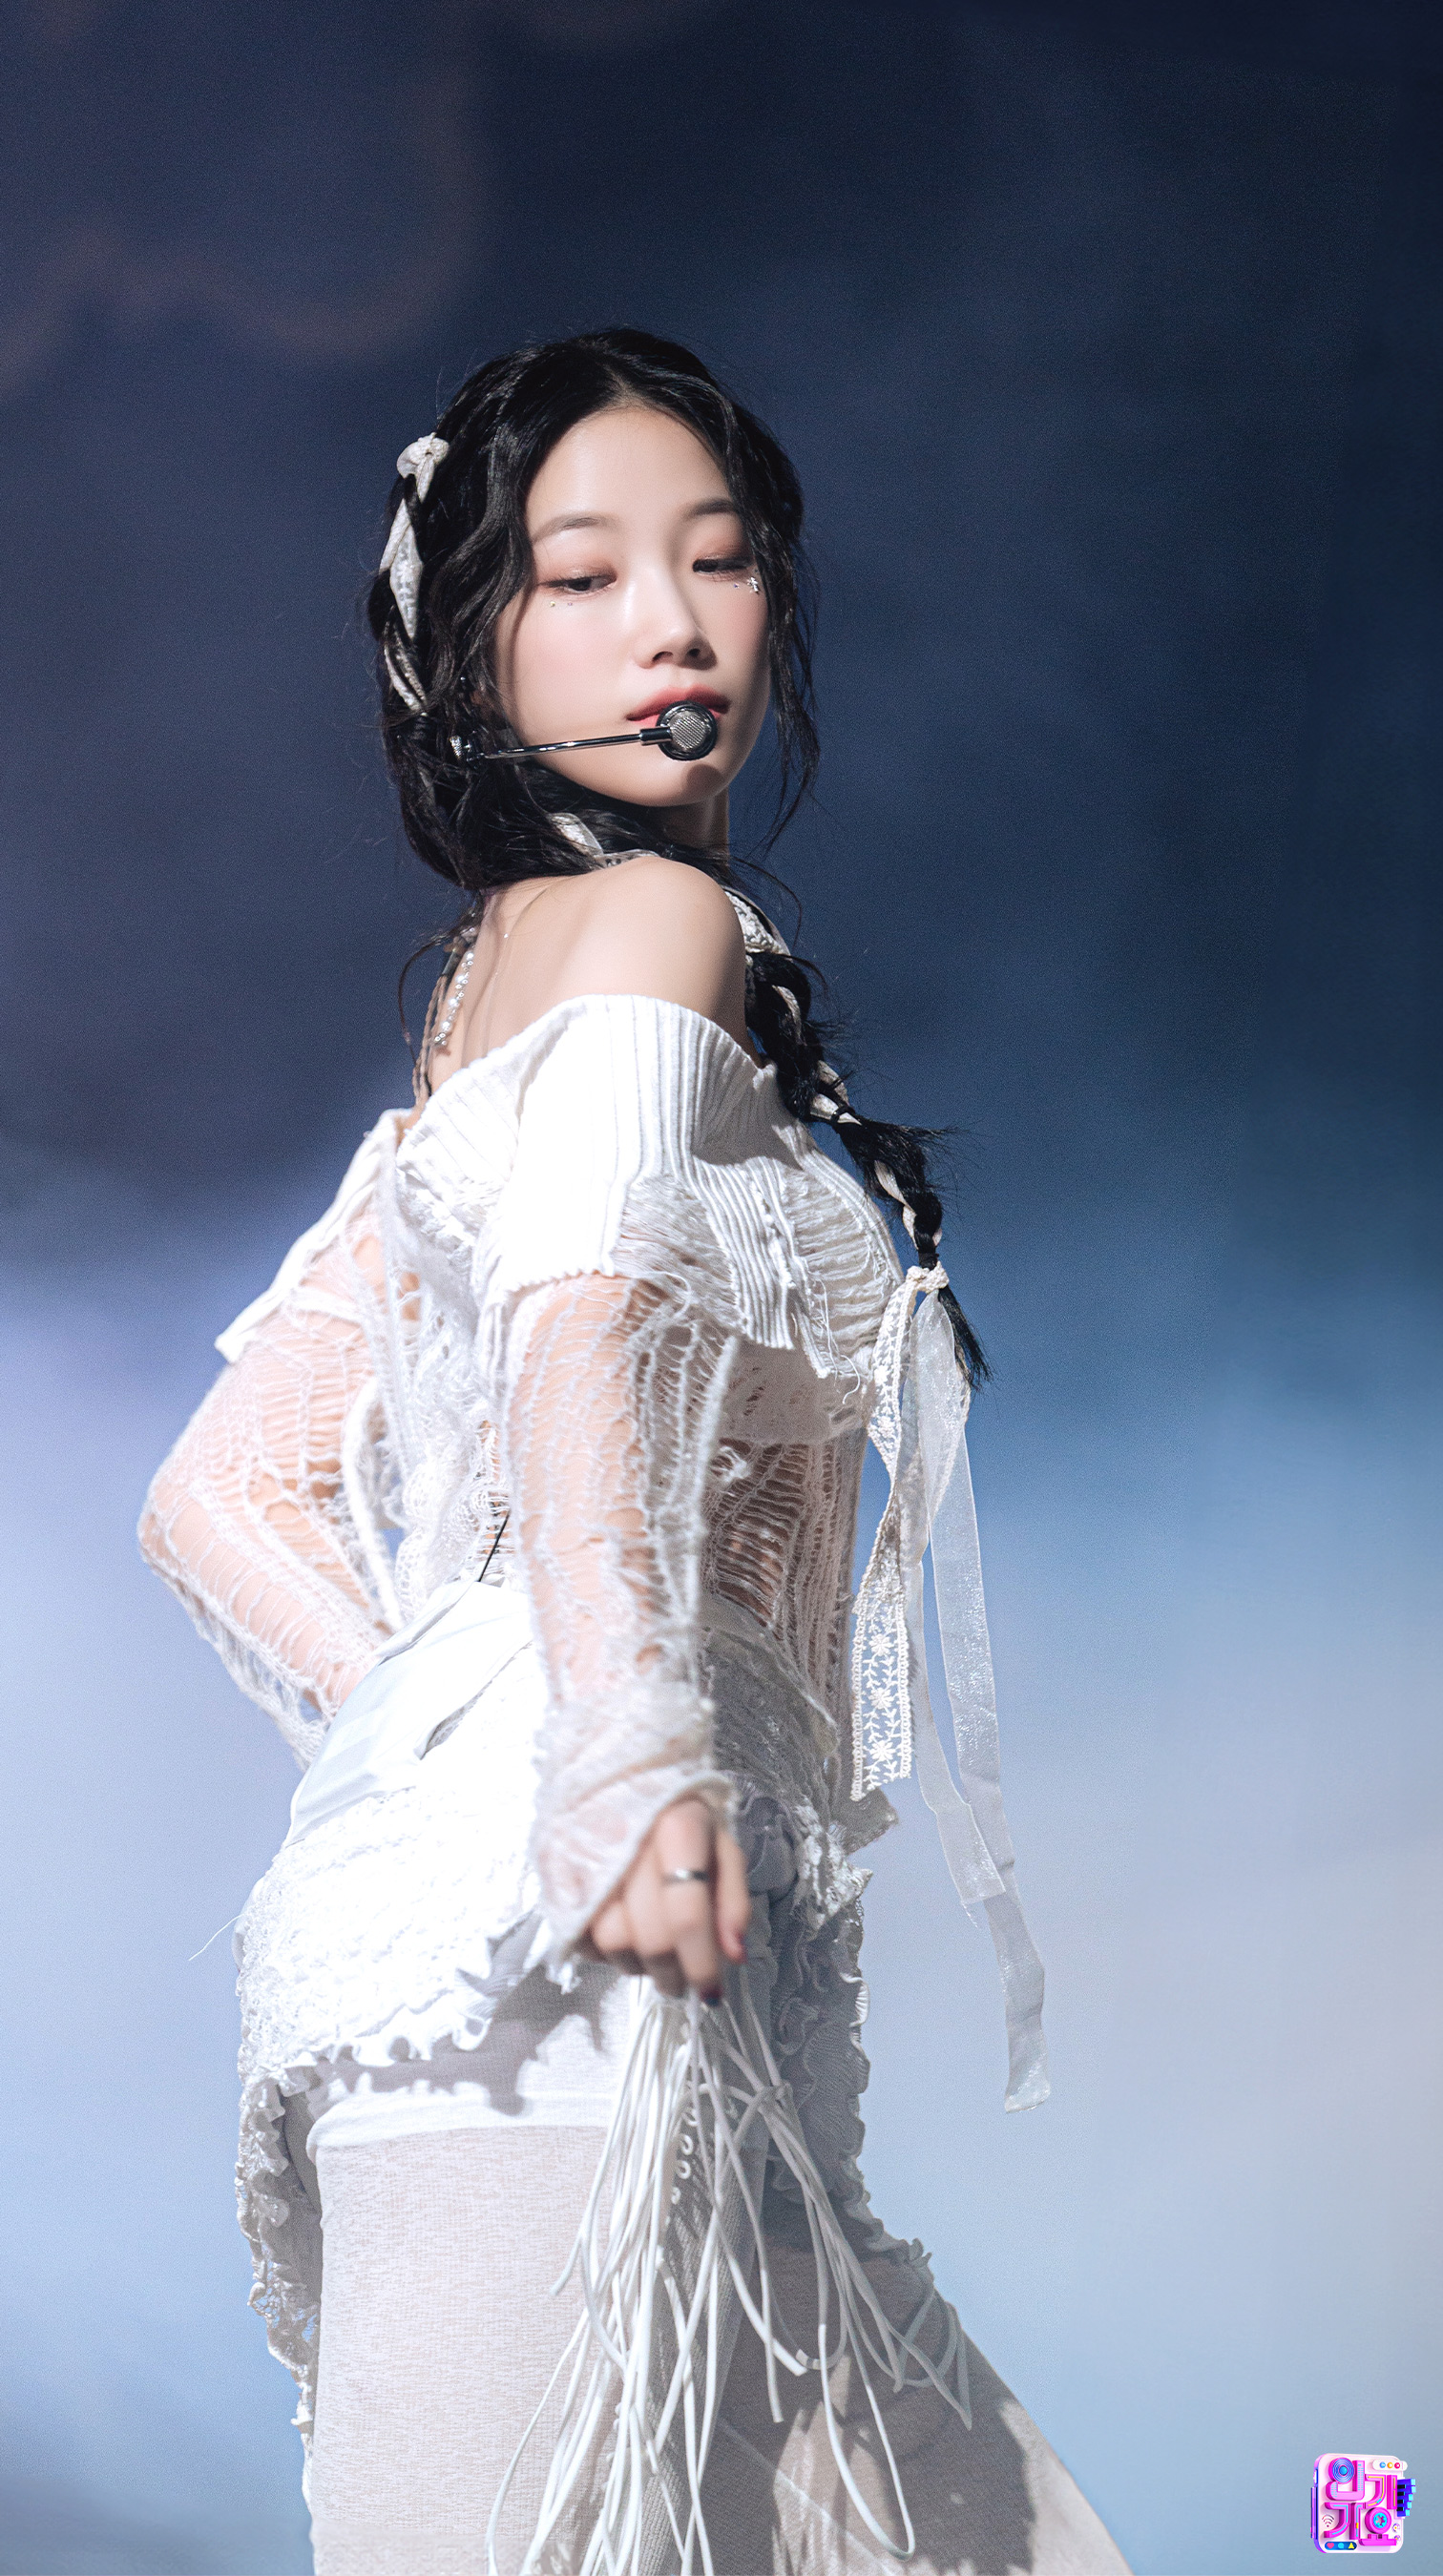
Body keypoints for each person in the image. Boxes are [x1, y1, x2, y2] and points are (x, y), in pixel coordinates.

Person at [139, 329, 1127, 2576]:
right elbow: (578, 1314)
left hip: (573, 1965)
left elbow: (217, 1492)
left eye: (721, 558)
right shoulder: (657, 930)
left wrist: (453, 1745)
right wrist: (600, 1754)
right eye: (583, 576)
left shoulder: (500, 987)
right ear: (472, 652)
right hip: (573, 1963)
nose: (676, 625)